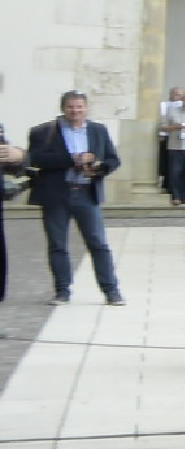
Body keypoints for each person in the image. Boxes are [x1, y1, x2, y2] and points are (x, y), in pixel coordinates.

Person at [26, 91, 125, 304]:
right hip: (56, 194)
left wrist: (98, 166)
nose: (75, 111)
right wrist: (72, 159)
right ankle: (62, 290)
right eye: (71, 107)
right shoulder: (44, 131)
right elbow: (34, 159)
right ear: (63, 108)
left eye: (79, 107)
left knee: (98, 243)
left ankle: (111, 290)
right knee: (58, 244)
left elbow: (113, 159)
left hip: (86, 193)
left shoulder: (98, 130)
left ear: (86, 108)